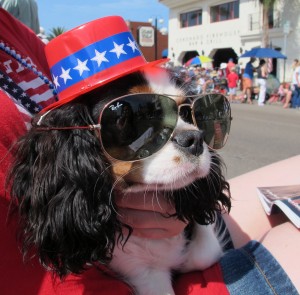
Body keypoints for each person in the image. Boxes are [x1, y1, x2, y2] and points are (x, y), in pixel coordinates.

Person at [0, 10, 299, 295]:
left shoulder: (15, 32)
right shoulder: (67, 162)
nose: (190, 134)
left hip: (186, 230)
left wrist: (183, 214)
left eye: (184, 112)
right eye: (134, 118)